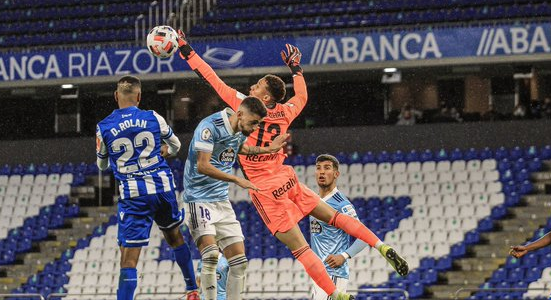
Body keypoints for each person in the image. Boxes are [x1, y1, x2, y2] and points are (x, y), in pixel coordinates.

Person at [175, 31, 408, 300]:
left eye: (260, 85)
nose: (254, 86)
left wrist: (186, 50)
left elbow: (211, 78)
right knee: (335, 217)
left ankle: (336, 295)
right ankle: (380, 245)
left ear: (266, 99)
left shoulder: (241, 106)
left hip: (265, 187)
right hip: (287, 177)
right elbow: (302, 97)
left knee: (300, 249)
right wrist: (296, 68)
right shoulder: (285, 112)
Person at [95, 75, 200, 300]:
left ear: (116, 96)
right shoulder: (153, 117)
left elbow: (102, 164)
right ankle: (192, 289)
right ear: (139, 97)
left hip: (134, 195)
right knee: (175, 238)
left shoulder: (104, 126)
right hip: (162, 188)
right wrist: (163, 151)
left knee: (129, 259)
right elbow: (176, 145)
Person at [182, 97, 288, 300]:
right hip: (198, 199)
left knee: (240, 263)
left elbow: (242, 148)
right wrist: (236, 180)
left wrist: (268, 149)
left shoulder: (239, 130)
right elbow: (202, 166)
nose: (256, 128)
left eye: (258, 123)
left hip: (221, 201)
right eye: (253, 123)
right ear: (239, 114)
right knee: (211, 256)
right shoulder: (209, 126)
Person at [310, 154, 368, 300]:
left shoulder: (342, 204)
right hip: (318, 274)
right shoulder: (314, 200)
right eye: (318, 168)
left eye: (327, 168)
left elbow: (364, 237)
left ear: (336, 174)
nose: (321, 172)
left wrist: (344, 256)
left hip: (333, 274)